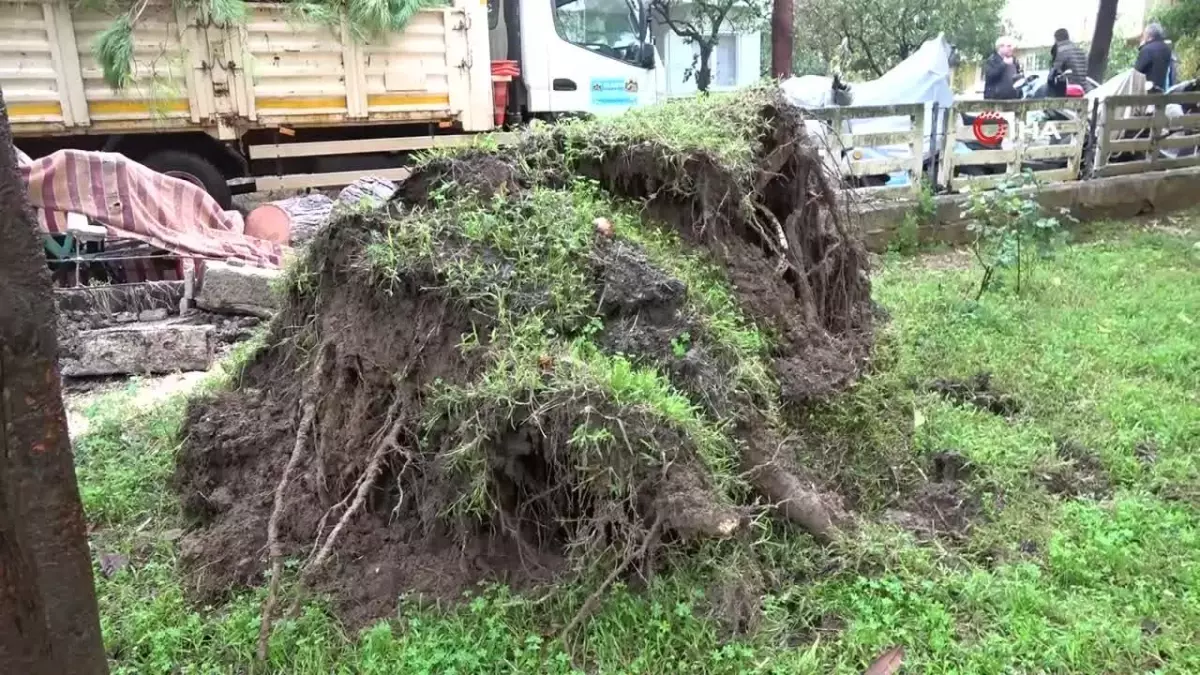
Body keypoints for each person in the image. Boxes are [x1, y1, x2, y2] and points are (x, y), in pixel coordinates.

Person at [1135, 23, 1174, 91]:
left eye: (1144, 34)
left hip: (1147, 90)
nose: (1143, 36)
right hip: (1162, 89)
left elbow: (1137, 71)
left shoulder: (1147, 50)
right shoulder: (1166, 49)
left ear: (1149, 35)